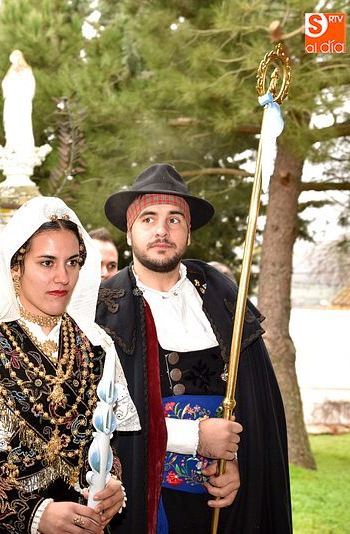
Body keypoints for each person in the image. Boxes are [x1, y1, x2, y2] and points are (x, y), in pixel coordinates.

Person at [95, 164, 292, 533]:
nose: (161, 230)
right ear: (129, 232)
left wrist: (238, 464)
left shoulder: (225, 300)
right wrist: (194, 437)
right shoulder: (103, 310)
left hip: (222, 500)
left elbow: (259, 409)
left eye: (174, 220)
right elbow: (92, 417)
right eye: (148, 218)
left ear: (188, 233)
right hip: (141, 501)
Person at [0, 196, 141, 534]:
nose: (63, 277)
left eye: (73, 262)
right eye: (47, 263)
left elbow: (104, 443)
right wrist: (36, 515)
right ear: (16, 268)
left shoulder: (97, 346)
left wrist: (111, 488)